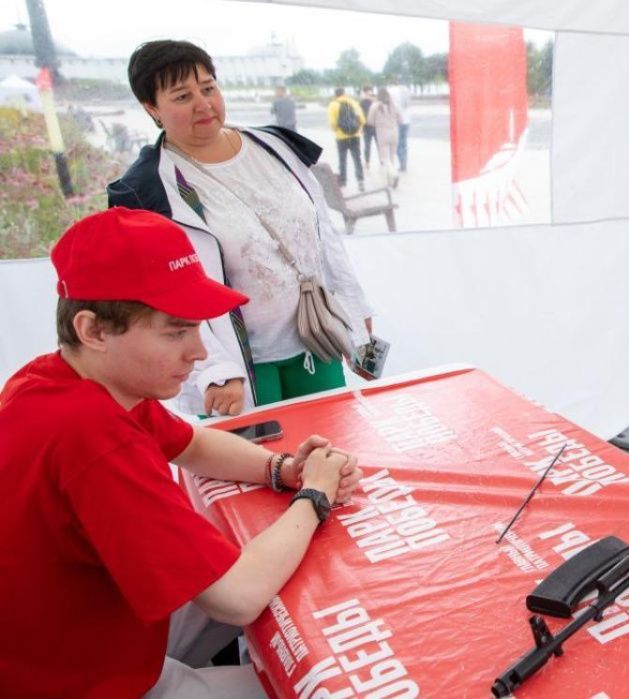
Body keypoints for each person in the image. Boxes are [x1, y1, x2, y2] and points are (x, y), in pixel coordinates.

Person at [0, 207, 362, 697]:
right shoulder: (93, 437)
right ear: (94, 331)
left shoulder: (63, 378)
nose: (199, 352)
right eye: (176, 332)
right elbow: (238, 596)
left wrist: (283, 469)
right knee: (330, 685)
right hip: (79, 680)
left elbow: (191, 442)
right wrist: (315, 496)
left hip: (84, 631)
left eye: (197, 328)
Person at [108, 40, 373, 417]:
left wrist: (354, 308)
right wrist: (213, 369)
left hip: (317, 338)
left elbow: (323, 234)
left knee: (332, 436)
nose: (203, 104)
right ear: (151, 107)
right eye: (182, 96)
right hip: (237, 368)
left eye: (208, 88)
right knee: (256, 451)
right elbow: (161, 295)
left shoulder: (275, 147)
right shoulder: (148, 190)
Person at [329, 86, 366, 190]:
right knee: (357, 158)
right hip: (354, 135)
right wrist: (357, 127)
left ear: (335, 95)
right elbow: (362, 119)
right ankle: (360, 180)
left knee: (342, 159)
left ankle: (343, 181)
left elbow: (332, 123)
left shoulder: (333, 105)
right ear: (344, 93)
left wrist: (337, 129)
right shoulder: (353, 103)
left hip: (341, 136)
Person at [368, 85, 403, 188]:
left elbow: (370, 121)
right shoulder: (394, 105)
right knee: (392, 158)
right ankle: (390, 181)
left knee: (385, 159)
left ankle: (394, 175)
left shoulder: (375, 106)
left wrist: (379, 122)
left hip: (382, 133)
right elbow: (401, 120)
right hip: (394, 132)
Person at [393, 83, 412, 172]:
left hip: (398, 122)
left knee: (398, 144)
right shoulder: (406, 95)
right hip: (407, 122)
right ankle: (404, 163)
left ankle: (402, 164)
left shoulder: (395, 94)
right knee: (404, 144)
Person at [358, 85, 376, 169]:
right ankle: (367, 162)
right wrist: (361, 127)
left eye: (370, 91)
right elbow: (360, 115)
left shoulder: (375, 100)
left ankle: (381, 162)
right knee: (367, 145)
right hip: (367, 126)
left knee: (377, 145)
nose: (369, 93)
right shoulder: (362, 102)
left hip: (375, 126)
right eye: (367, 92)